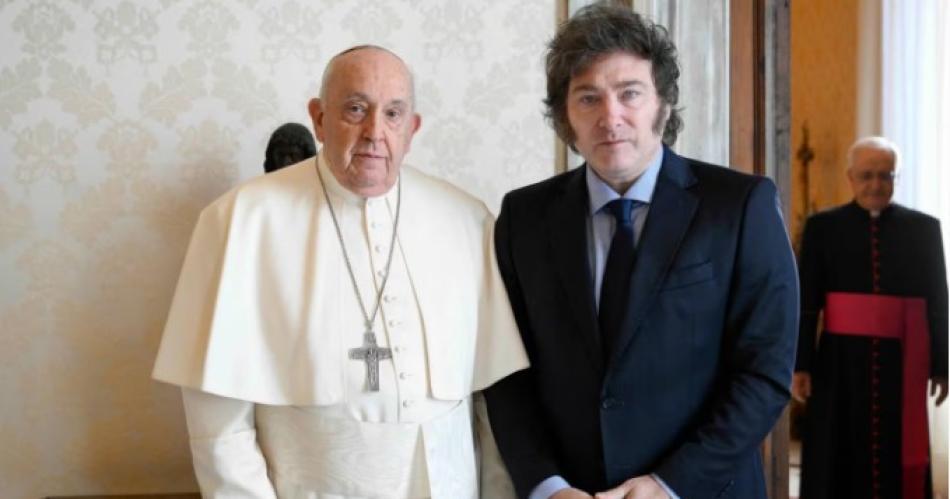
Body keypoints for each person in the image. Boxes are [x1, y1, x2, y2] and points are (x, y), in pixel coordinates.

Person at [152, 45, 527, 498]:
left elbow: (490, 408)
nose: (374, 132)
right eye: (355, 109)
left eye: (393, 114)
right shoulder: (240, 221)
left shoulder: (467, 219)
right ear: (319, 118)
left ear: (412, 129)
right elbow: (218, 425)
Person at [483, 4, 799, 498]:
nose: (611, 117)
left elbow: (764, 373)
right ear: (566, 117)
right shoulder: (523, 218)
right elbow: (506, 373)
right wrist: (547, 486)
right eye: (588, 98)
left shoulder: (740, 206)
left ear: (664, 104)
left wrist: (668, 484)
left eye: (629, 94)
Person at [794, 136, 948, 499]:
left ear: (897, 179)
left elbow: (938, 300)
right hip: (838, 363)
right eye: (866, 175)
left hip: (902, 364)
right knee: (836, 448)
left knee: (896, 445)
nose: (875, 184)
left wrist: (942, 365)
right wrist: (801, 365)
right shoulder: (823, 228)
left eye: (885, 175)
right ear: (850, 177)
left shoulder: (924, 229)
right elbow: (807, 301)